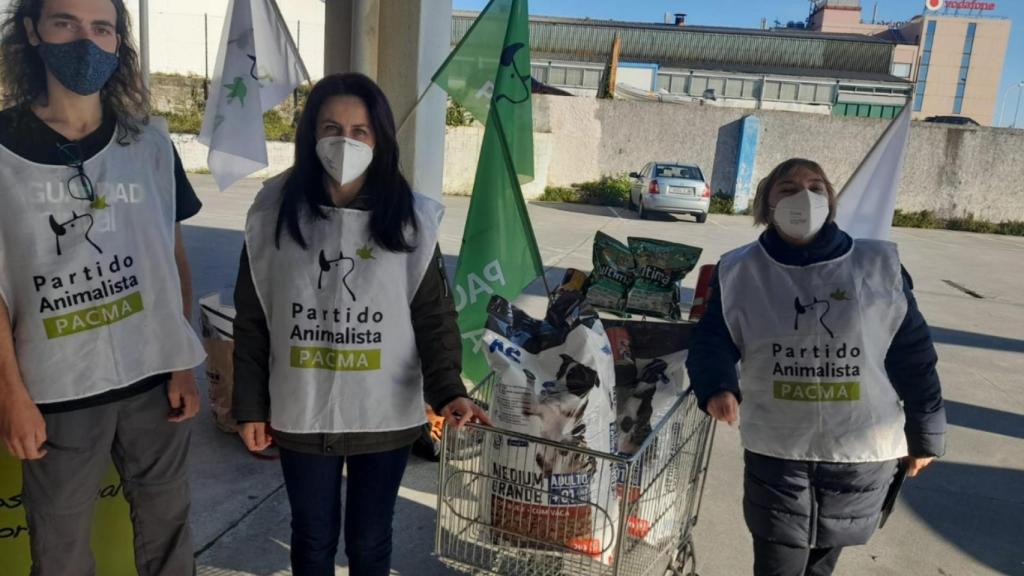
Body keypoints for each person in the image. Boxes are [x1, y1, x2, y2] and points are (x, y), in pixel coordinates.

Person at [231, 72, 489, 576]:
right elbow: (254, 315)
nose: (344, 142)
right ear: (310, 134)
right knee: (312, 537)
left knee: (370, 541)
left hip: (382, 416)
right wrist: (250, 406)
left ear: (379, 139)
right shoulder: (272, 213)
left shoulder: (410, 218)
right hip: (302, 408)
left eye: (359, 131)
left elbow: (432, 314)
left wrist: (447, 390)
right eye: (331, 128)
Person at [0, 0, 207, 574]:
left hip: (152, 383)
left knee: (169, 533)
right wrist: (11, 395)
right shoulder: (3, 149)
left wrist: (181, 363)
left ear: (118, 44)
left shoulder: (149, 145)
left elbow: (171, 259)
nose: (85, 42)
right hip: (57, 390)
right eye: (65, 22)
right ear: (32, 31)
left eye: (102, 28)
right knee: (59, 549)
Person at [685, 158, 945, 576]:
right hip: (779, 449)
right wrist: (717, 386)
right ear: (767, 203)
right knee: (777, 564)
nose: (803, 197)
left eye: (815, 186)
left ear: (831, 200)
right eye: (788, 188)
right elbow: (712, 338)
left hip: (858, 451)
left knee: (821, 566)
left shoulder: (877, 267)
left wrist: (925, 435)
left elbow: (913, 355)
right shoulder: (740, 270)